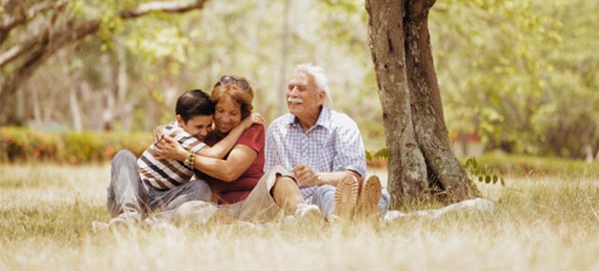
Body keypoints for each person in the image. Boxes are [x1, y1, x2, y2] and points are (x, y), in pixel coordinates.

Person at [154, 75, 320, 224]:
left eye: (233, 113)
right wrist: (163, 129)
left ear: (244, 114)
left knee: (278, 174)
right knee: (187, 211)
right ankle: (250, 229)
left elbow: (229, 171)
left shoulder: (252, 129)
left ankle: (302, 214)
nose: (225, 119)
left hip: (254, 203)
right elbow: (181, 125)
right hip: (219, 211)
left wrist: (185, 156)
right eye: (220, 111)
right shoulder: (204, 132)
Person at [106, 89, 263, 229]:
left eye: (208, 126)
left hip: (162, 199)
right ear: (180, 121)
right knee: (124, 156)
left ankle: (151, 222)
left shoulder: (196, 135)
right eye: (199, 127)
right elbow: (215, 154)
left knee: (202, 187)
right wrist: (243, 125)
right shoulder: (177, 134)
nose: (205, 132)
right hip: (135, 191)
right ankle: (129, 214)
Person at [265, 63, 391, 221]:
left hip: (341, 194)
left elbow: (354, 176)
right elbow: (271, 181)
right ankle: (356, 216)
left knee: (374, 192)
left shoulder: (342, 125)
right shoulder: (277, 129)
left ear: (320, 97)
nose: (293, 94)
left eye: (301, 89)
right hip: (303, 206)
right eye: (291, 87)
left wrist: (315, 177)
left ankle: (356, 214)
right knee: (323, 192)